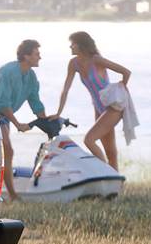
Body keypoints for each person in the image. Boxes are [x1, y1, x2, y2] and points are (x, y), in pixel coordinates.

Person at [55, 31, 136, 170]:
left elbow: (126, 72)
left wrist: (121, 87)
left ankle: (105, 175)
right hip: (98, 109)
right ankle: (115, 187)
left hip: (112, 108)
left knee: (89, 140)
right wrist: (58, 113)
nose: (70, 47)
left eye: (72, 44)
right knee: (110, 151)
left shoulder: (96, 60)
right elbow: (66, 89)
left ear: (81, 45)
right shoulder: (74, 64)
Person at [0, 39, 50, 200]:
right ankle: (9, 194)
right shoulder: (8, 72)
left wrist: (46, 121)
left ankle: (7, 193)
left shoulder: (31, 76)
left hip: (5, 114)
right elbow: (3, 103)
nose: (40, 57)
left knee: (6, 152)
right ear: (26, 56)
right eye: (36, 54)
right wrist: (18, 124)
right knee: (6, 150)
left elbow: (35, 102)